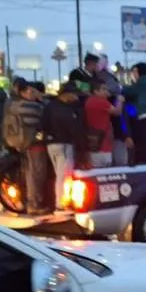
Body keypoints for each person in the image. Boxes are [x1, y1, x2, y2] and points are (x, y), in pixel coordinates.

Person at [1, 78, 49, 215]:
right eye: (32, 91)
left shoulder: (11, 104)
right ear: (25, 91)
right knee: (36, 175)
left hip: (18, 144)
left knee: (27, 174)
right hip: (33, 144)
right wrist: (41, 98)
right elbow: (44, 112)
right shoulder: (29, 106)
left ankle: (24, 201)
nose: (34, 93)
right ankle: (34, 205)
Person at [41, 83, 84, 212]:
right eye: (74, 94)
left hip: (51, 144)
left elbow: (43, 125)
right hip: (64, 143)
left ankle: (60, 202)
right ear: (66, 95)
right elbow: (73, 127)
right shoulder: (67, 109)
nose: (76, 96)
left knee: (59, 174)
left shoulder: (50, 106)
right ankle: (61, 203)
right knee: (65, 175)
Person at [84, 80, 123, 168]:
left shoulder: (90, 101)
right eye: (104, 89)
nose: (107, 92)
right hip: (102, 145)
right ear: (95, 91)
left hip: (95, 143)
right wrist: (119, 101)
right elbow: (117, 112)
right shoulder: (100, 102)